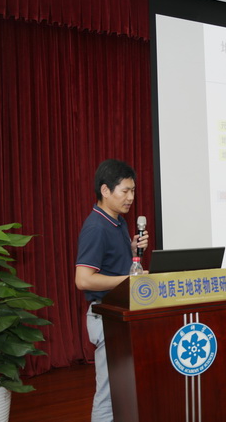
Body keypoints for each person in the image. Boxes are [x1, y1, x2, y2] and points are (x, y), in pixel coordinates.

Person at [75, 159, 149, 422]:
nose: (131, 198)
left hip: (121, 314)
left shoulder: (117, 222)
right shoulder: (96, 226)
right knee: (108, 394)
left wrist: (131, 249)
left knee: (125, 388)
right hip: (106, 318)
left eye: (133, 191)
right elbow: (83, 280)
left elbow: (109, 264)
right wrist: (130, 280)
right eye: (125, 191)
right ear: (105, 190)